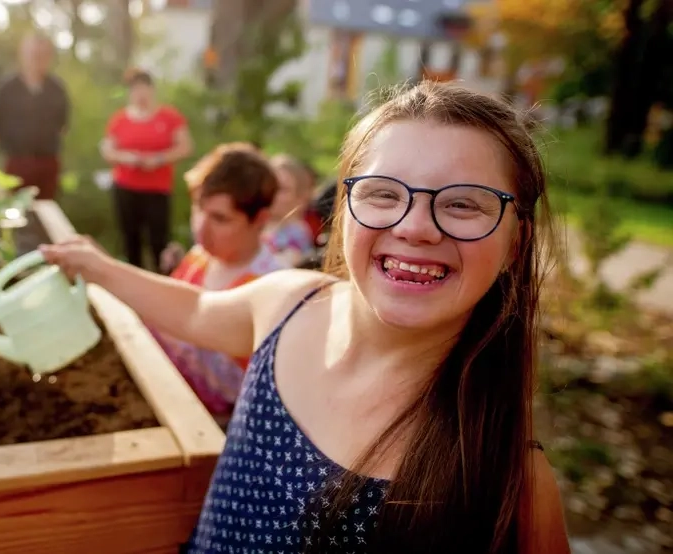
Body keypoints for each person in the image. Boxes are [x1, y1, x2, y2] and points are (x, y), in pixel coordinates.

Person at [39, 82, 570, 553]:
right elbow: (196, 309)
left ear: (514, 241)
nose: (415, 226)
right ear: (344, 208)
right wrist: (99, 268)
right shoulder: (288, 304)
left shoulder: (510, 479)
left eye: (462, 204)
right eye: (383, 193)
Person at [146, 142, 285, 425]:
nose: (200, 228)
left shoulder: (272, 288)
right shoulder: (200, 257)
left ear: (259, 219)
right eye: (199, 209)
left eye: (220, 219)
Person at [100, 68, 193, 270]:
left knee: (159, 240)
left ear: (152, 90)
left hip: (157, 189)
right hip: (126, 187)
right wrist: (127, 158)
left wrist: (159, 158)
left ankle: (165, 281)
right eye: (136, 89)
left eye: (144, 88)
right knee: (130, 240)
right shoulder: (120, 119)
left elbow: (185, 146)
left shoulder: (169, 117)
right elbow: (107, 150)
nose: (141, 94)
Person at [0, 32, 70, 200]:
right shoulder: (7, 88)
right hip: (16, 162)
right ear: (22, 54)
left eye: (43, 55)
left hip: (48, 162)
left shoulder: (57, 88)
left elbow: (63, 124)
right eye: (33, 54)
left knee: (45, 210)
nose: (38, 59)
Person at [262, 153, 316, 267]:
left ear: (300, 198)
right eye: (271, 186)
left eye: (283, 189)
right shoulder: (254, 226)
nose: (273, 193)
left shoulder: (296, 235)